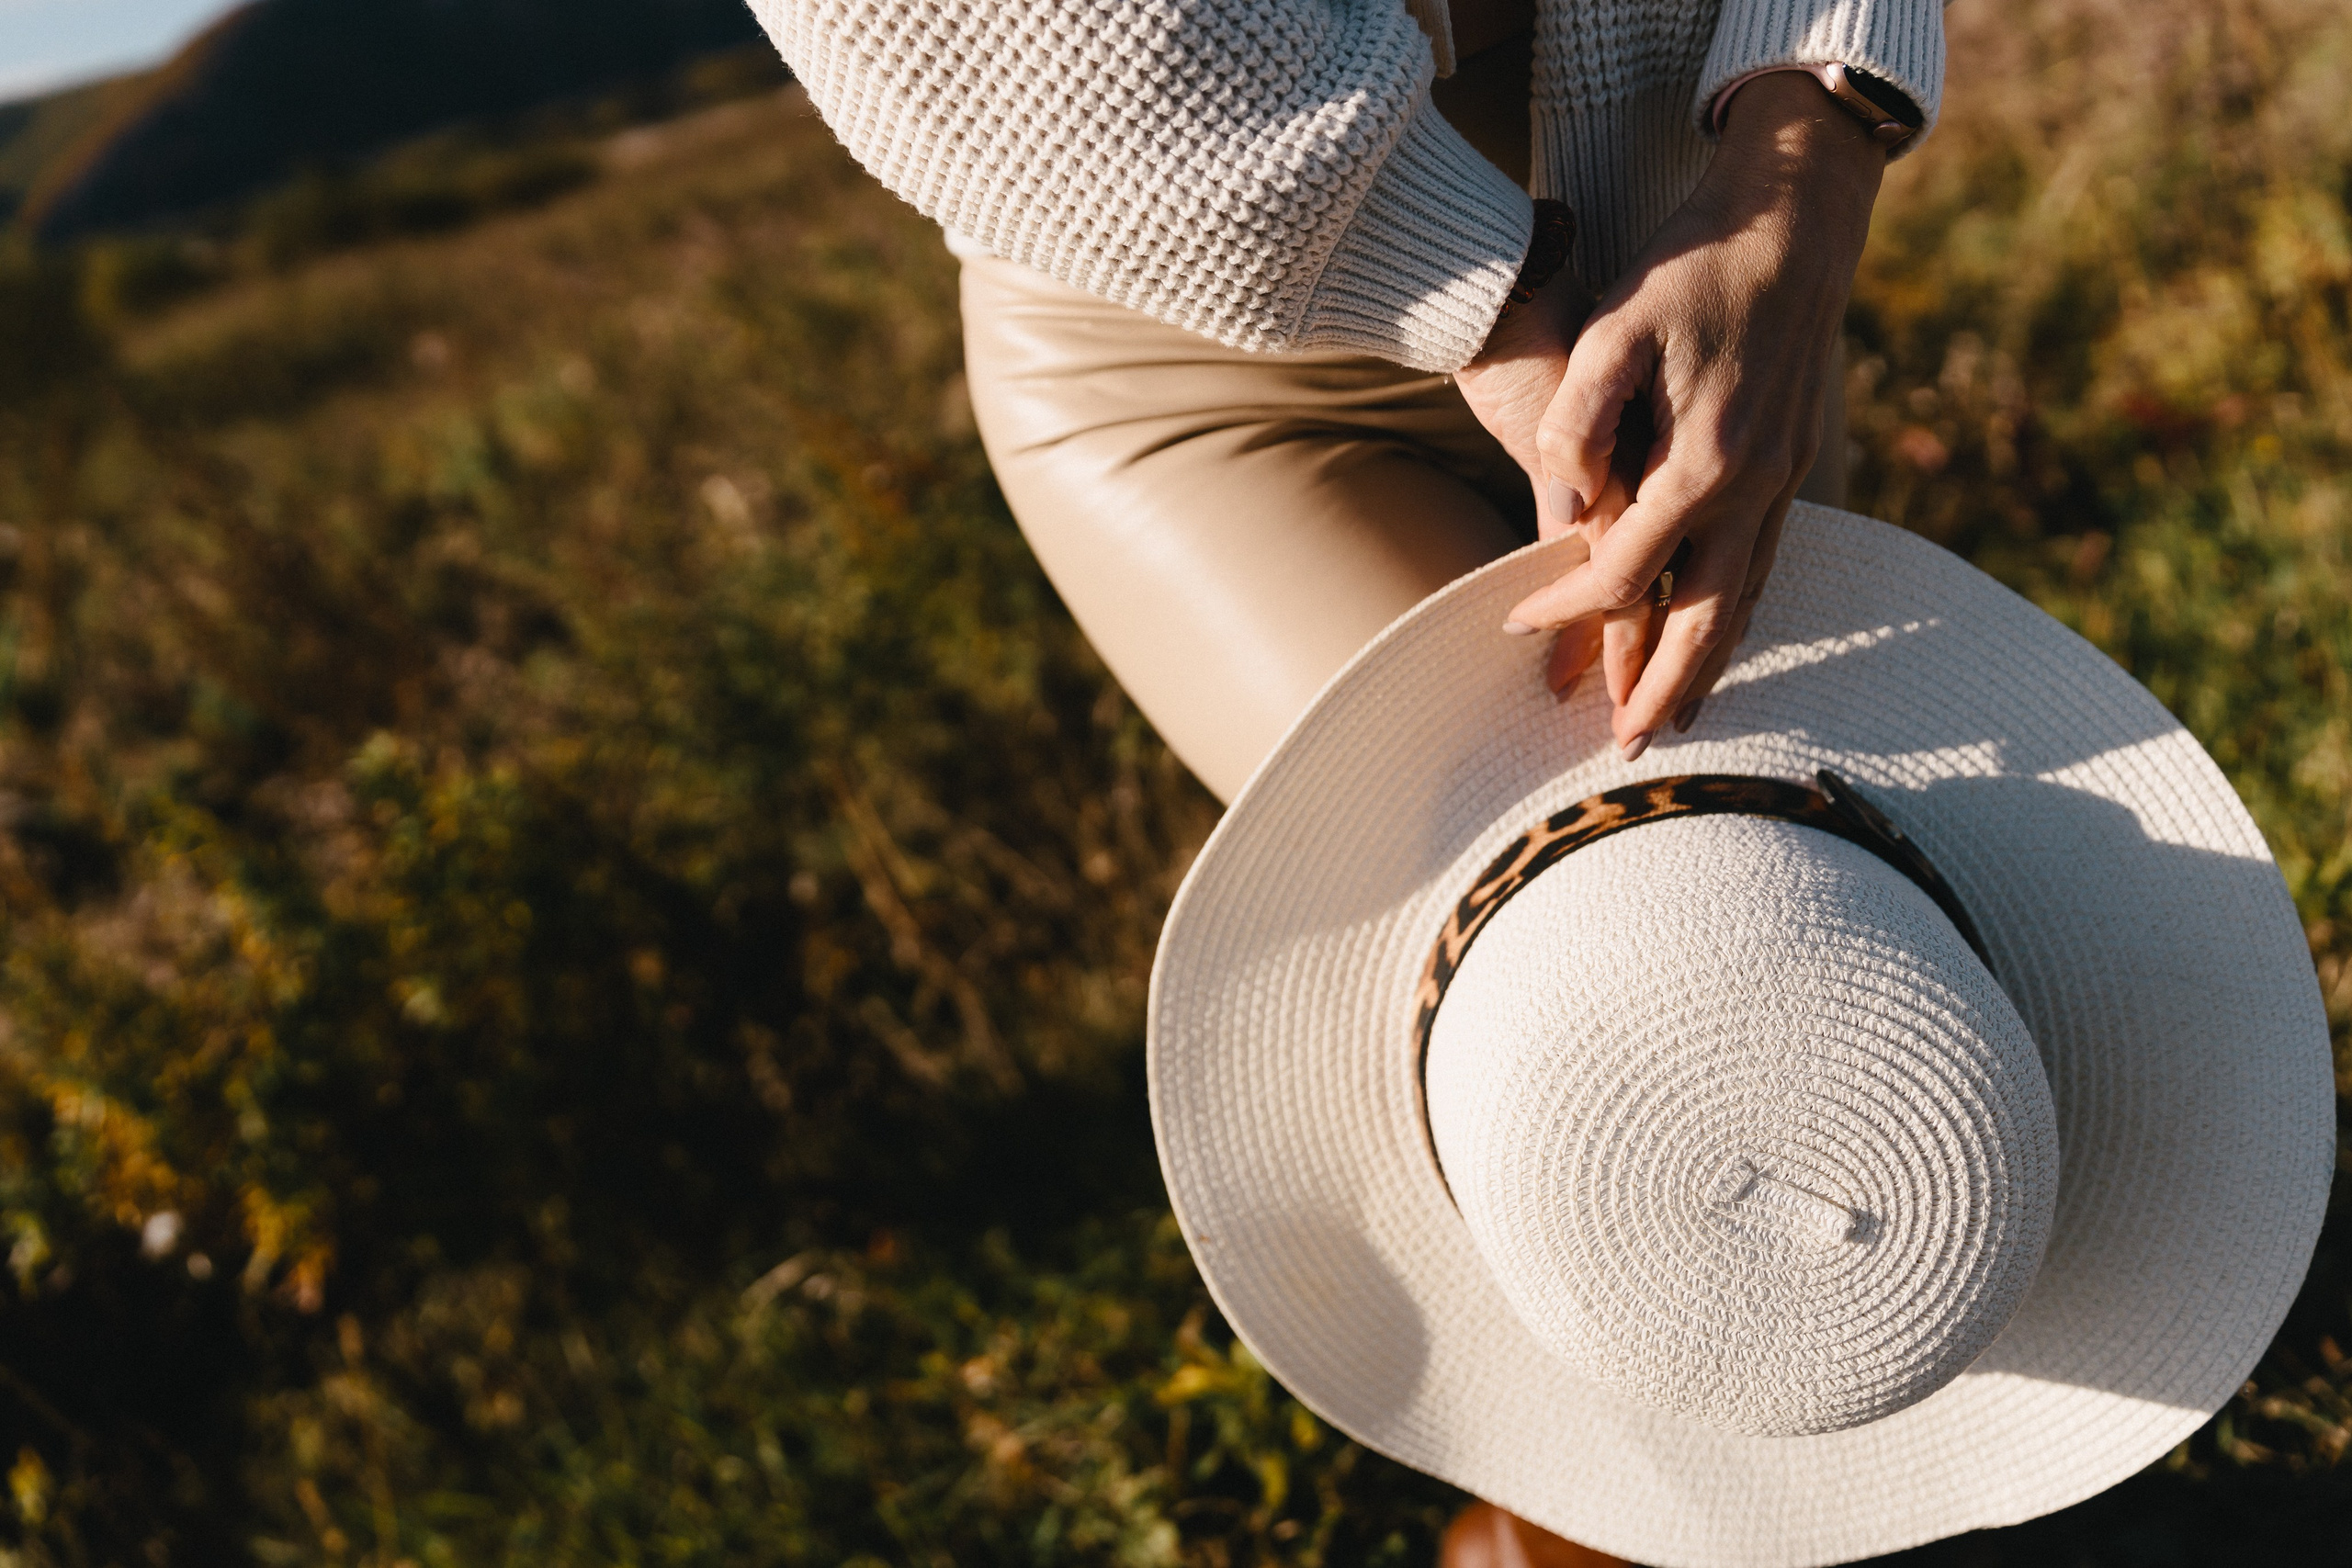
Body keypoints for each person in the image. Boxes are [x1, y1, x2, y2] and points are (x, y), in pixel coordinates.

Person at [753, 0, 1942, 1557]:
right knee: (1625, 1002)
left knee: (1816, 990)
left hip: (1701, 226)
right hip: (1200, 295)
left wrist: (1808, 163)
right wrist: (1496, 299)